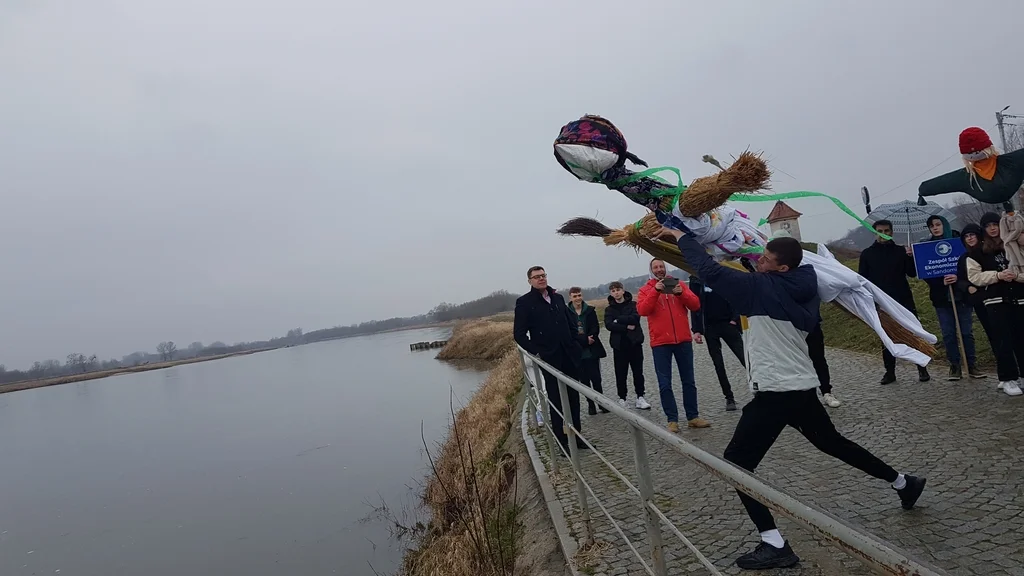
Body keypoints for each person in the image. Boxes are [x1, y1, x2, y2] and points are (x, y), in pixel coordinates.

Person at [665, 227, 926, 570]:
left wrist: (683, 237)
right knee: (831, 442)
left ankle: (774, 544)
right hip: (801, 384)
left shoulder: (758, 288)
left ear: (781, 267)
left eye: (767, 259)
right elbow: (761, 266)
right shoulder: (807, 284)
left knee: (736, 464)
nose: (760, 261)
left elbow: (709, 270)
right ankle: (904, 482)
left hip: (776, 390)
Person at [513, 266, 587, 453]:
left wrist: (577, 345)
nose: (541, 279)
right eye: (536, 277)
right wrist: (537, 352)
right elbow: (519, 334)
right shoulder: (524, 302)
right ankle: (562, 442)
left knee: (573, 396)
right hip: (549, 357)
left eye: (543, 275)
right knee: (556, 399)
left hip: (569, 354)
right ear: (529, 280)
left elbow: (570, 324)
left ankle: (577, 436)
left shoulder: (557, 297)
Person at [637, 259, 711, 432]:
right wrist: (655, 292)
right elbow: (642, 310)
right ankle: (672, 419)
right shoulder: (646, 289)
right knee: (665, 383)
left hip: (683, 340)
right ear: (651, 271)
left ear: (665, 268)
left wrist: (681, 294)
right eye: (655, 267)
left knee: (689, 381)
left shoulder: (678, 284)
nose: (659, 270)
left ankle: (692, 416)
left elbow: (695, 304)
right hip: (660, 342)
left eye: (661, 266)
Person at [770, 229, 841, 407]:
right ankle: (802, 397)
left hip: (810, 323)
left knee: (818, 358)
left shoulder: (805, 271)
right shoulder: (772, 275)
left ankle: (826, 391)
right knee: (795, 362)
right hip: (789, 327)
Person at [857, 219, 932, 384]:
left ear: (892, 232)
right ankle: (890, 372)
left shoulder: (900, 251)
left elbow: (912, 273)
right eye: (880, 230)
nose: (883, 233)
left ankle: (922, 368)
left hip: (903, 298)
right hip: (881, 302)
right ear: (875, 232)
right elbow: (862, 280)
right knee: (887, 336)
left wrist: (911, 257)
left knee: (913, 332)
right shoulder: (867, 254)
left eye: (887, 230)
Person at [919, 215, 985, 380]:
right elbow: (927, 271)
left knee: (966, 332)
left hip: (962, 296)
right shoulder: (926, 247)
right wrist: (940, 280)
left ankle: (971, 364)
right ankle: (954, 366)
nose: (935, 228)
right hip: (941, 298)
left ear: (944, 225)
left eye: (938, 224)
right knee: (948, 333)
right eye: (931, 226)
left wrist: (957, 277)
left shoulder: (958, 241)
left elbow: (968, 266)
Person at [965, 212, 1024, 396]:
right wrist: (997, 276)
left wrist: (1017, 276)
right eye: (988, 225)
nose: (992, 228)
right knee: (1003, 341)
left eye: (995, 224)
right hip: (995, 301)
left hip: (1018, 298)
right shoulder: (977, 252)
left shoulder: (1012, 246)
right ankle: (1008, 378)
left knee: (1021, 339)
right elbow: (975, 277)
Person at [689, 275, 743, 411]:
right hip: (709, 328)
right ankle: (729, 397)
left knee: (745, 358)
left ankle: (759, 389)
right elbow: (694, 305)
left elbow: (736, 296)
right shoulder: (695, 279)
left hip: (728, 323)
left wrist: (735, 319)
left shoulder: (722, 274)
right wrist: (696, 329)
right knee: (718, 364)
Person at [604, 281, 651, 410]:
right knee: (620, 373)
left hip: (634, 343)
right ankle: (622, 398)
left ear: (623, 291)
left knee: (638, 372)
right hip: (619, 346)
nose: (616, 292)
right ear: (611, 293)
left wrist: (618, 320)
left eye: (618, 290)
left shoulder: (633, 305)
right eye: (613, 291)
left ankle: (640, 397)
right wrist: (625, 326)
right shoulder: (609, 309)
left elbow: (635, 319)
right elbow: (609, 325)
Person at [567, 287, 610, 415]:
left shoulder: (590, 310)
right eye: (575, 296)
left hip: (592, 349)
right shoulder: (567, 313)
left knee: (596, 378)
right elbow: (569, 332)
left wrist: (590, 338)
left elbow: (595, 327)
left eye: (579, 295)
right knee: (584, 380)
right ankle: (591, 404)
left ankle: (601, 403)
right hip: (578, 351)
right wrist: (583, 340)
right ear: (570, 298)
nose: (577, 298)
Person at [957, 223, 998, 351]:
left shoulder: (990, 251)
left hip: (995, 295)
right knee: (991, 332)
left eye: (972, 235)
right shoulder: (964, 258)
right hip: (979, 299)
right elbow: (961, 279)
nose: (969, 238)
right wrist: (968, 287)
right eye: (966, 236)